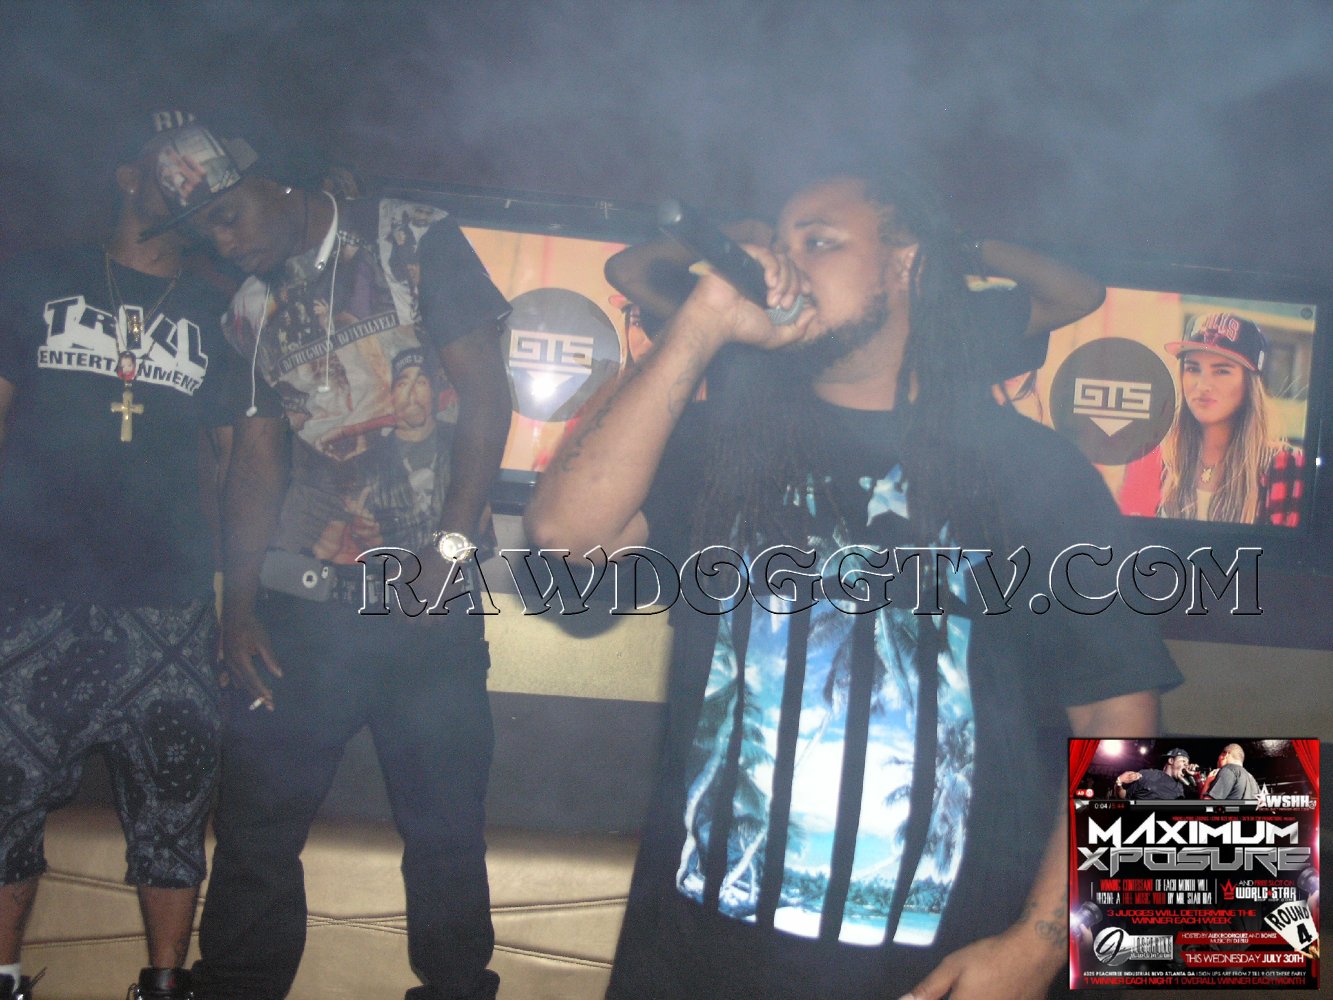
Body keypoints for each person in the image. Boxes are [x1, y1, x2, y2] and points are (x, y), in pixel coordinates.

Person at [526, 171, 1181, 1000]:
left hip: (934, 973)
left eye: (819, 241)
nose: (787, 264)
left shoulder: (1029, 467)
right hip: (699, 963)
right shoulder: (720, 443)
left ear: (905, 263)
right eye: (779, 243)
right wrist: (701, 320)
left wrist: (1042, 945)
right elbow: (566, 536)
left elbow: (1117, 716)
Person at [147, 120, 512, 1000]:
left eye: (227, 215)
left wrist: (450, 550)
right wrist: (238, 608)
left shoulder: (411, 237)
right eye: (203, 230)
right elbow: (256, 460)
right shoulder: (248, 309)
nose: (222, 241)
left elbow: (487, 395)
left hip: (427, 604)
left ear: (273, 181)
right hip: (304, 610)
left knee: (445, 831)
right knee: (255, 831)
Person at [0, 109, 254, 1000]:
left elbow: (235, 461)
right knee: (3, 800)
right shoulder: (37, 279)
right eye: (170, 165)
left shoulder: (220, 311)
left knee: (176, 805)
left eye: (203, 173)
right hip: (30, 588)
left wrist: (232, 598)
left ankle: (164, 987)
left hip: (166, 597)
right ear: (127, 176)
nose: (189, 183)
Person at [1120, 312, 1304, 525]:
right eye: (1192, 369)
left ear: (1249, 383)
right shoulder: (1150, 458)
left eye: (1221, 371)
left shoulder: (1287, 465)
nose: (1203, 385)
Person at [1113, 748, 1197, 800]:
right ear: (1171, 761)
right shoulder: (1148, 775)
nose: (1186, 765)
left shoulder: (1183, 788)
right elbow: (1123, 796)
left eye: (1187, 763)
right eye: (1183, 761)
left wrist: (1196, 776)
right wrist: (1119, 782)